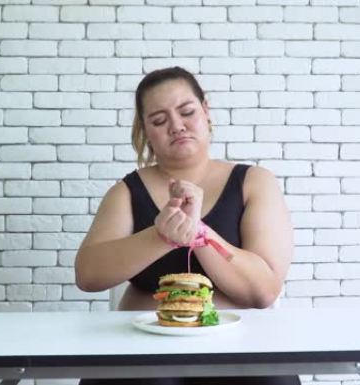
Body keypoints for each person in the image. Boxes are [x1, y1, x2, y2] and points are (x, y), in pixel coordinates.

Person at [74, 66, 298, 385]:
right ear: (145, 131)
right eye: (159, 120)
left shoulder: (254, 183)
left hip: (241, 351)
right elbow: (88, 274)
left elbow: (262, 291)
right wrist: (162, 236)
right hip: (142, 351)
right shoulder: (126, 191)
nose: (176, 126)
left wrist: (200, 235)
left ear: (206, 111)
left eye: (187, 111)